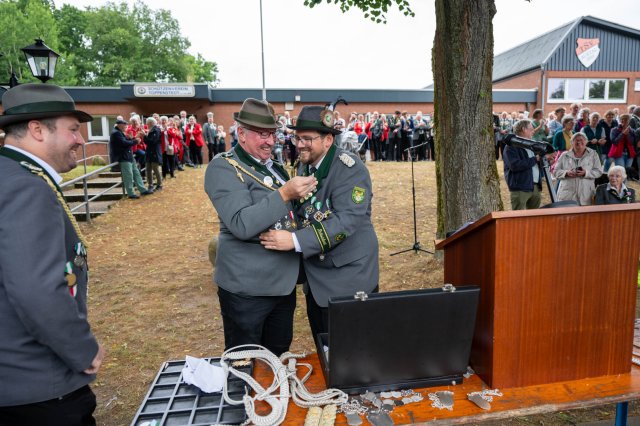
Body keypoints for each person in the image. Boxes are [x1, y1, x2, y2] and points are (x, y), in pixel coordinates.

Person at [0, 83, 105, 425]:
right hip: (37, 386)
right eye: (73, 129)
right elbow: (36, 290)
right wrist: (82, 349)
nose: (81, 140)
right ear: (37, 130)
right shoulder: (27, 187)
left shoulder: (10, 175)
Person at [204, 98, 317, 356]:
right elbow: (242, 224)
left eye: (272, 134)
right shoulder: (224, 167)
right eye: (262, 134)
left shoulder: (274, 167)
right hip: (247, 289)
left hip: (283, 284)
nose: (269, 141)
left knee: (277, 355)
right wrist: (284, 193)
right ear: (241, 133)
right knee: (246, 361)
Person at [259, 105, 379, 338]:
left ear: (328, 140)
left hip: (349, 279)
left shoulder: (350, 168)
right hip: (317, 277)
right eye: (297, 138)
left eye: (307, 139)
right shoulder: (306, 164)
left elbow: (346, 220)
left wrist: (295, 240)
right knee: (324, 345)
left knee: (352, 348)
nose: (300, 144)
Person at [552, 132, 603, 206]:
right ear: (572, 143)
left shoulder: (593, 154)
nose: (579, 142)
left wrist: (586, 173)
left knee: (585, 213)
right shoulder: (564, 155)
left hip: (586, 195)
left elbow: (599, 172)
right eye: (576, 140)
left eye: (581, 140)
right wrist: (566, 173)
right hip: (567, 194)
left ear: (586, 142)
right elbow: (555, 172)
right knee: (568, 213)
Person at [503, 119, 542, 210]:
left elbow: (536, 164)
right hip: (520, 187)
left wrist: (545, 160)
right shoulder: (511, 146)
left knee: (535, 216)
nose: (533, 131)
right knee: (518, 217)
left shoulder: (532, 145)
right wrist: (535, 159)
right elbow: (515, 165)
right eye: (531, 129)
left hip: (535, 186)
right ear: (524, 129)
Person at [111, 118, 153, 199]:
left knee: (136, 173)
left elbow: (126, 141)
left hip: (129, 156)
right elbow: (124, 143)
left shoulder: (120, 132)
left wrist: (133, 138)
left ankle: (142, 190)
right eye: (125, 125)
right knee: (128, 175)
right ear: (120, 125)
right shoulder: (116, 133)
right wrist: (135, 141)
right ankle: (131, 193)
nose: (126, 127)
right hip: (123, 157)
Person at [144, 117, 163, 191]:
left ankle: (159, 184)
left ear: (151, 123)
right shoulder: (151, 130)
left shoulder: (156, 130)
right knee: (148, 169)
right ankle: (150, 185)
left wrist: (144, 136)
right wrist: (145, 136)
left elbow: (152, 141)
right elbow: (148, 142)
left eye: (147, 123)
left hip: (155, 152)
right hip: (149, 152)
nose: (146, 125)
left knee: (155, 169)